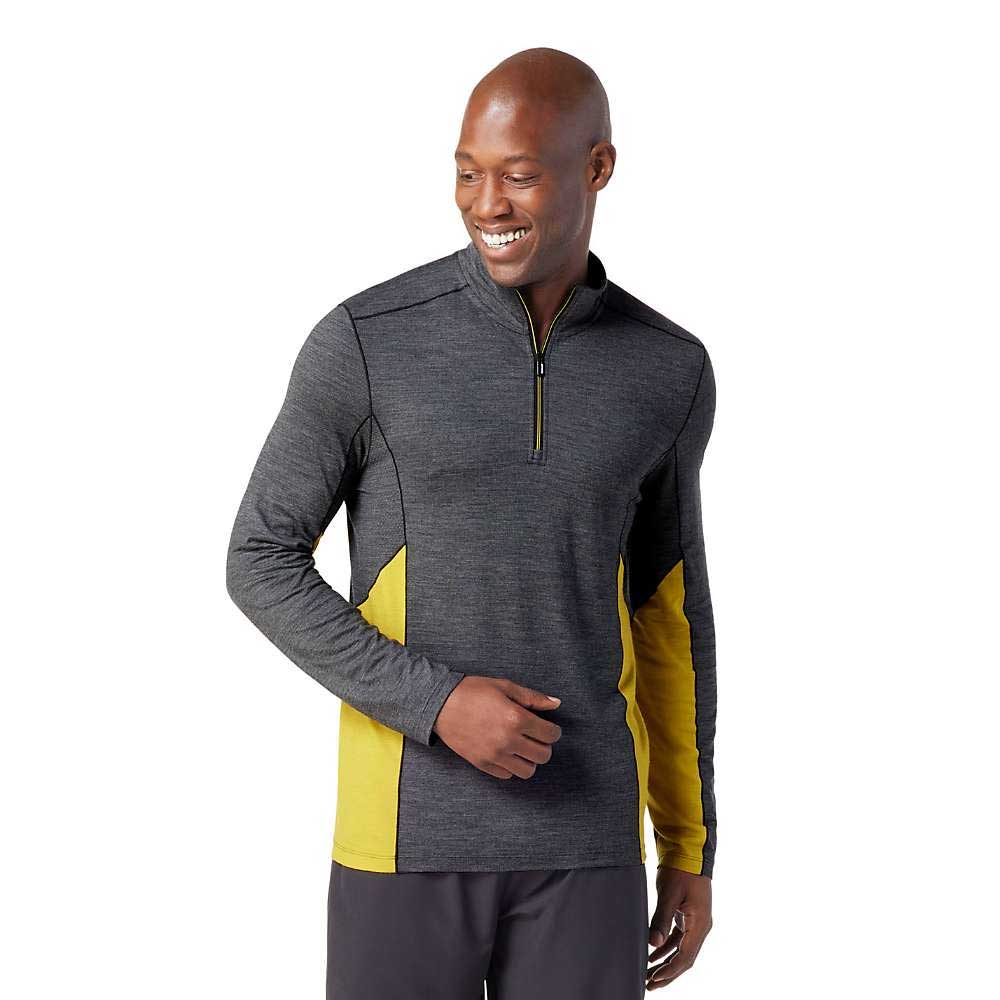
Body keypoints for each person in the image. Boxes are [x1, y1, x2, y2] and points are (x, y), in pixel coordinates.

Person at [226, 46, 718, 999]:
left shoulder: (668, 369)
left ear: (597, 167)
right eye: (467, 173)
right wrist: (437, 702)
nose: (487, 203)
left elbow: (672, 619)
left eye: (518, 175)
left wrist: (690, 849)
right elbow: (259, 559)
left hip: (589, 847)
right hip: (404, 840)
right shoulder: (368, 341)